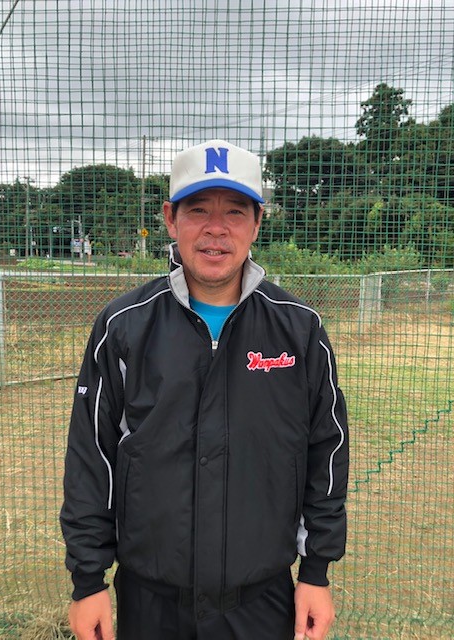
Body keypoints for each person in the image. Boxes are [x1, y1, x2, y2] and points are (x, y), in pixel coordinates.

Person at [60, 139, 349, 640]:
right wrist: (88, 581)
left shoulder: (299, 329)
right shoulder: (122, 327)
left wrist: (316, 572)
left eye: (235, 211)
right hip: (150, 600)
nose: (216, 228)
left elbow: (326, 451)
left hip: (261, 600)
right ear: (170, 219)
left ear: (257, 223)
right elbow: (92, 457)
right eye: (198, 210)